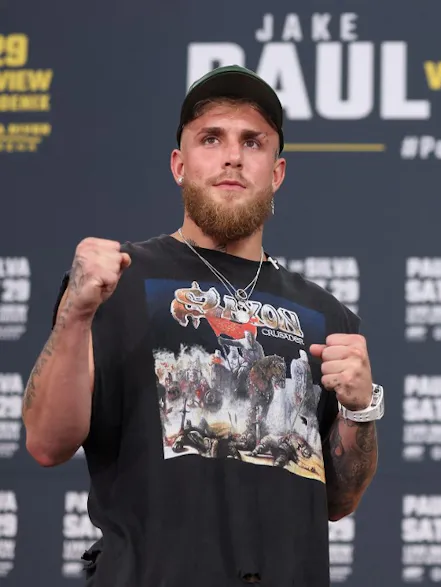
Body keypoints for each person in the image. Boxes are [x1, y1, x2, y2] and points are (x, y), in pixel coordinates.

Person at [20, 65, 385, 587]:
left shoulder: (328, 318)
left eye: (252, 142)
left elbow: (338, 500)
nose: (232, 155)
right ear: (179, 164)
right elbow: (46, 444)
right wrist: (75, 314)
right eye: (211, 138)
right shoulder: (117, 280)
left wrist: (361, 410)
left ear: (277, 172)